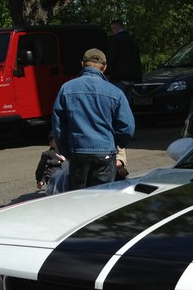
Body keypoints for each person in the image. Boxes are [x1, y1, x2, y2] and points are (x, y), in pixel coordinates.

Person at [51, 48, 135, 190]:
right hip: (104, 153)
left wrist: (66, 151)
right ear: (104, 67)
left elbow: (58, 125)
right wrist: (115, 144)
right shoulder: (115, 92)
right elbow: (127, 128)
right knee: (103, 196)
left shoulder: (66, 89)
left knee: (78, 196)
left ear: (82, 64)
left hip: (77, 152)